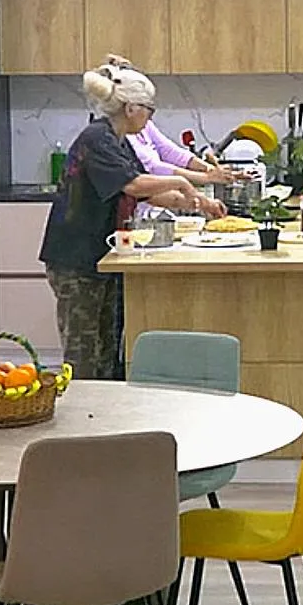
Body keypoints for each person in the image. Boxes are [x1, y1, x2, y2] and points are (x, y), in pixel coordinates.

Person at [39, 60, 226, 380]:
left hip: (106, 256)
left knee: (109, 350)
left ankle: (107, 409)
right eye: (149, 109)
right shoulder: (97, 138)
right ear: (130, 108)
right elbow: (135, 185)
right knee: (84, 352)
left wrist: (198, 203)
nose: (150, 117)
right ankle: (79, 410)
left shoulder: (120, 140)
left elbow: (146, 192)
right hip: (76, 259)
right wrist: (182, 183)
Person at [103, 54, 237, 187]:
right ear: (130, 108)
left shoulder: (142, 125)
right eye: (147, 106)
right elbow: (152, 167)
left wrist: (212, 170)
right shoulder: (115, 134)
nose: (150, 114)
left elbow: (169, 151)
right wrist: (206, 177)